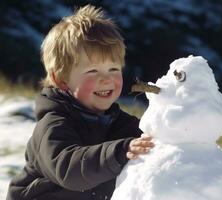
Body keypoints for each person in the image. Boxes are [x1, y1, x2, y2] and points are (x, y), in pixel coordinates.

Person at [6, 4, 154, 200]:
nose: (106, 79)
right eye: (93, 71)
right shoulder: (53, 125)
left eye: (113, 69)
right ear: (61, 79)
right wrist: (120, 151)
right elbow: (70, 171)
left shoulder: (121, 124)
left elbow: (152, 144)